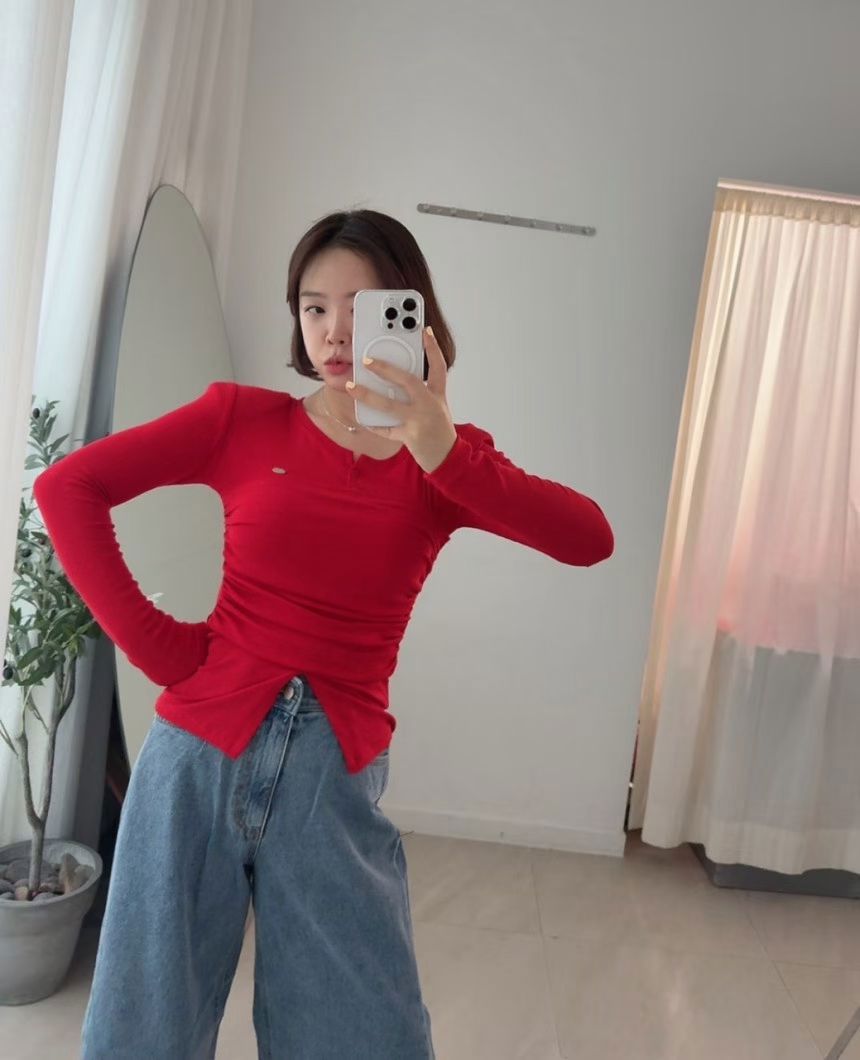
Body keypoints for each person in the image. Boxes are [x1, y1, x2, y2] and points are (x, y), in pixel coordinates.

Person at [33, 209, 614, 1059]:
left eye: (361, 307)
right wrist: (162, 650)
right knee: (141, 1037)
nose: (335, 331)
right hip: (195, 763)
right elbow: (67, 489)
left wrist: (442, 448)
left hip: (330, 786)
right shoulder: (242, 420)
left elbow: (589, 538)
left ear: (412, 316)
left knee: (363, 1038)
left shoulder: (447, 463)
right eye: (314, 307)